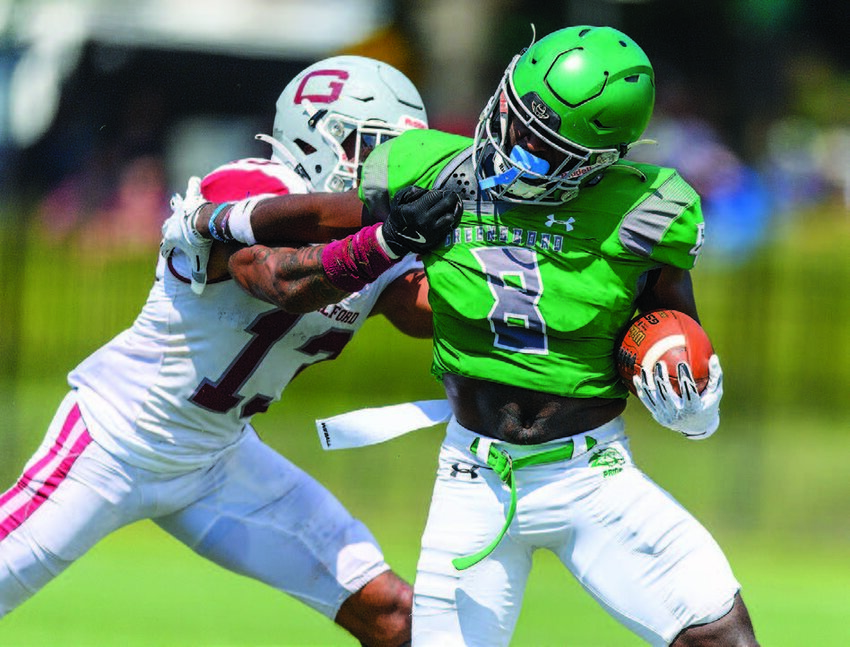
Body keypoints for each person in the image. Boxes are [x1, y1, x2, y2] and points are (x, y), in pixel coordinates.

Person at [168, 26, 761, 646]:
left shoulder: (645, 210)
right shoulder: (431, 167)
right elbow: (319, 216)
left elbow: (673, 328)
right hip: (472, 478)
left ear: (598, 162)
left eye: (541, 144)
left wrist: (693, 392)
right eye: (513, 118)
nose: (511, 144)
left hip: (592, 475)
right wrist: (219, 219)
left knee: (722, 639)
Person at [0, 55, 460, 647]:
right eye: (371, 147)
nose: (385, 168)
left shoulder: (386, 234)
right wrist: (385, 235)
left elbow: (429, 313)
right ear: (320, 135)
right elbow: (278, 279)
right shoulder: (251, 186)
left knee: (394, 614)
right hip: (115, 441)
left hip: (220, 460)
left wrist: (503, 260)